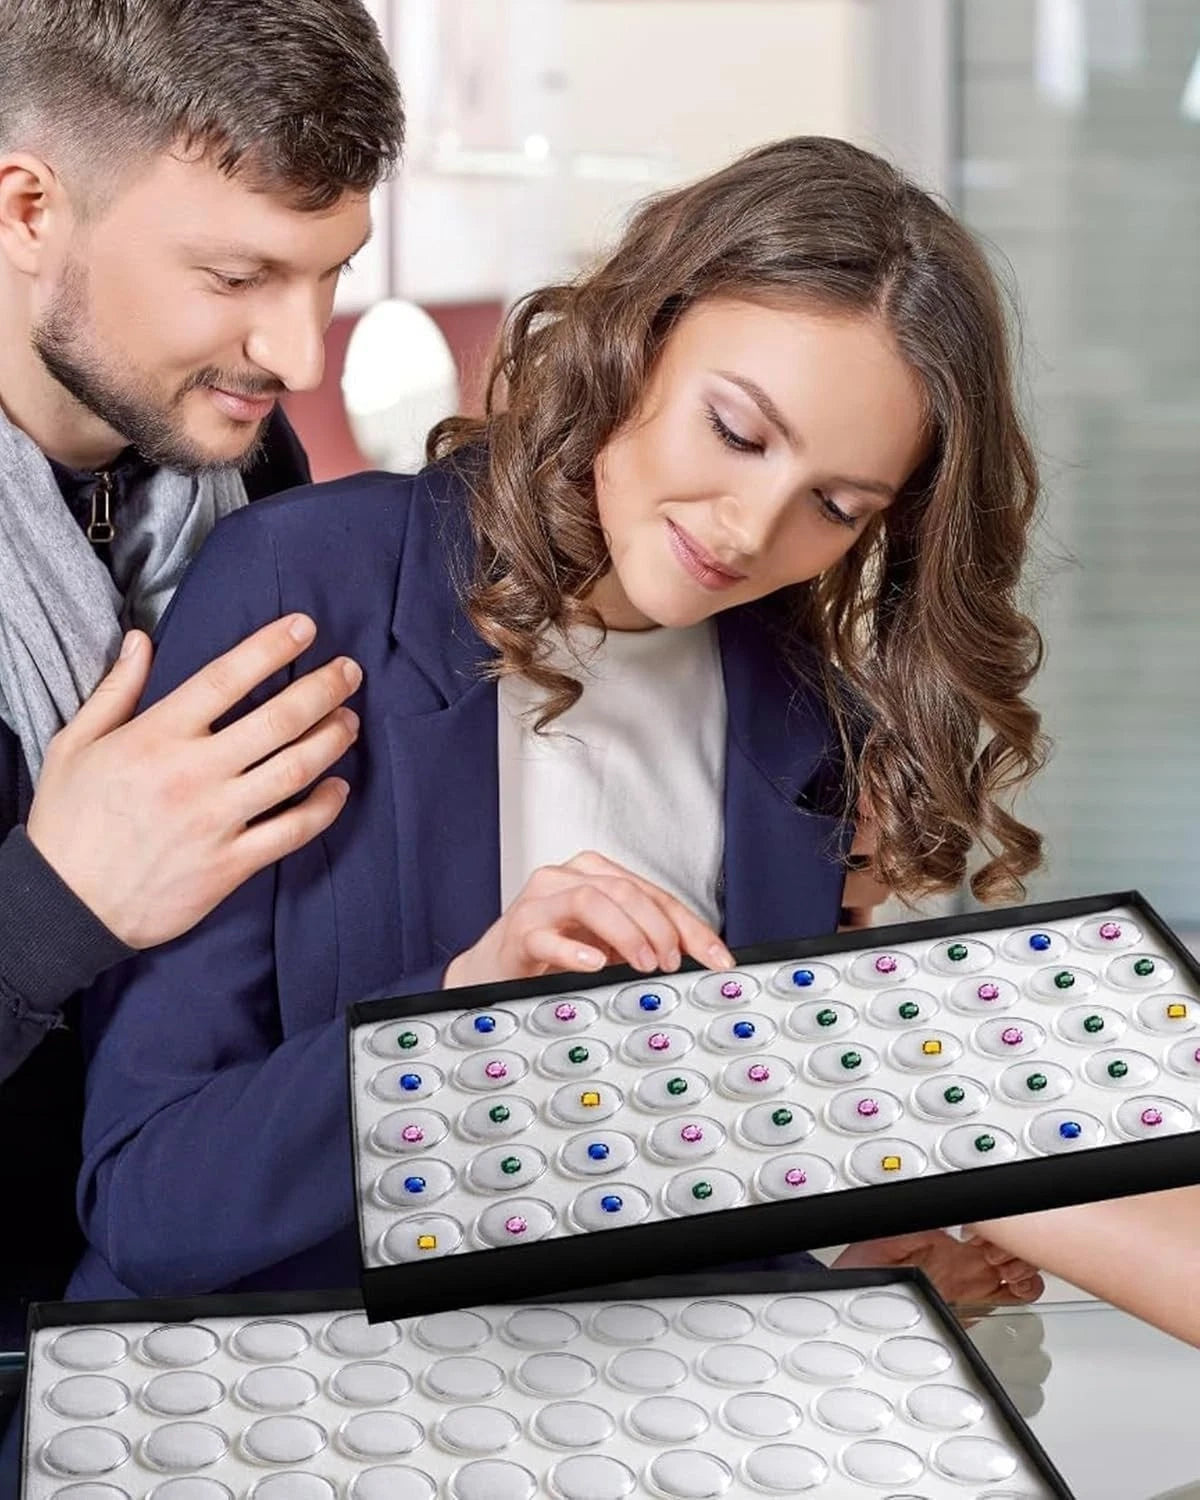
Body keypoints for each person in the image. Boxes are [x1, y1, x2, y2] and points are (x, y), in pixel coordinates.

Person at [66, 136, 1048, 1311]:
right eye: (735, 432)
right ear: (637, 339)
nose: (748, 529)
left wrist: (820, 1264)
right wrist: (460, 1015)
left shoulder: (809, 724)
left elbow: (668, 1185)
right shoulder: (305, 583)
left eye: (836, 508)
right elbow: (148, 1203)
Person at [0, 0, 404, 1343]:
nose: (298, 354)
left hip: (207, 1324)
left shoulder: (247, 475)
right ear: (28, 209)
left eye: (329, 273)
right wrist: (57, 904)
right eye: (237, 281)